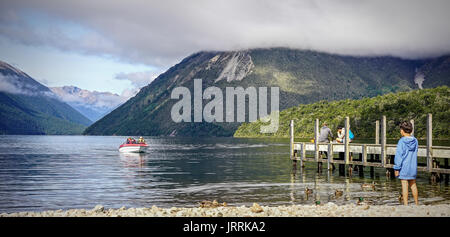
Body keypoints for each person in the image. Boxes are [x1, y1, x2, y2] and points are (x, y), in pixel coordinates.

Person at [394, 121, 419, 205]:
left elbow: (399, 156)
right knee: (413, 185)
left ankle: (406, 204)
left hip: (404, 167)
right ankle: (416, 203)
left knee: (404, 186)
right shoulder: (415, 141)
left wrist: (397, 168)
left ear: (402, 130)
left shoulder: (401, 141)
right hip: (413, 167)